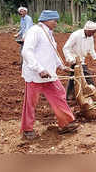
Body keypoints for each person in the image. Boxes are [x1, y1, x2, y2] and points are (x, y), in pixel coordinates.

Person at [21, 10, 79, 140]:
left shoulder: (49, 33)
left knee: (59, 94)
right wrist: (39, 69)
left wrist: (60, 65)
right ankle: (27, 129)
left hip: (49, 75)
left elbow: (53, 52)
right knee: (31, 103)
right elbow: (26, 52)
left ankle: (66, 123)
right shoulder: (35, 31)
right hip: (35, 75)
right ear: (46, 20)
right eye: (55, 20)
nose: (56, 23)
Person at [63, 20, 96, 100]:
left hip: (81, 60)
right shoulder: (76, 35)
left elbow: (91, 50)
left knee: (74, 77)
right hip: (74, 59)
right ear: (87, 30)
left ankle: (69, 96)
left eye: (94, 32)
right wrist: (71, 59)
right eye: (92, 32)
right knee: (86, 75)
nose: (93, 34)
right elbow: (66, 48)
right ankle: (92, 94)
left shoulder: (90, 37)